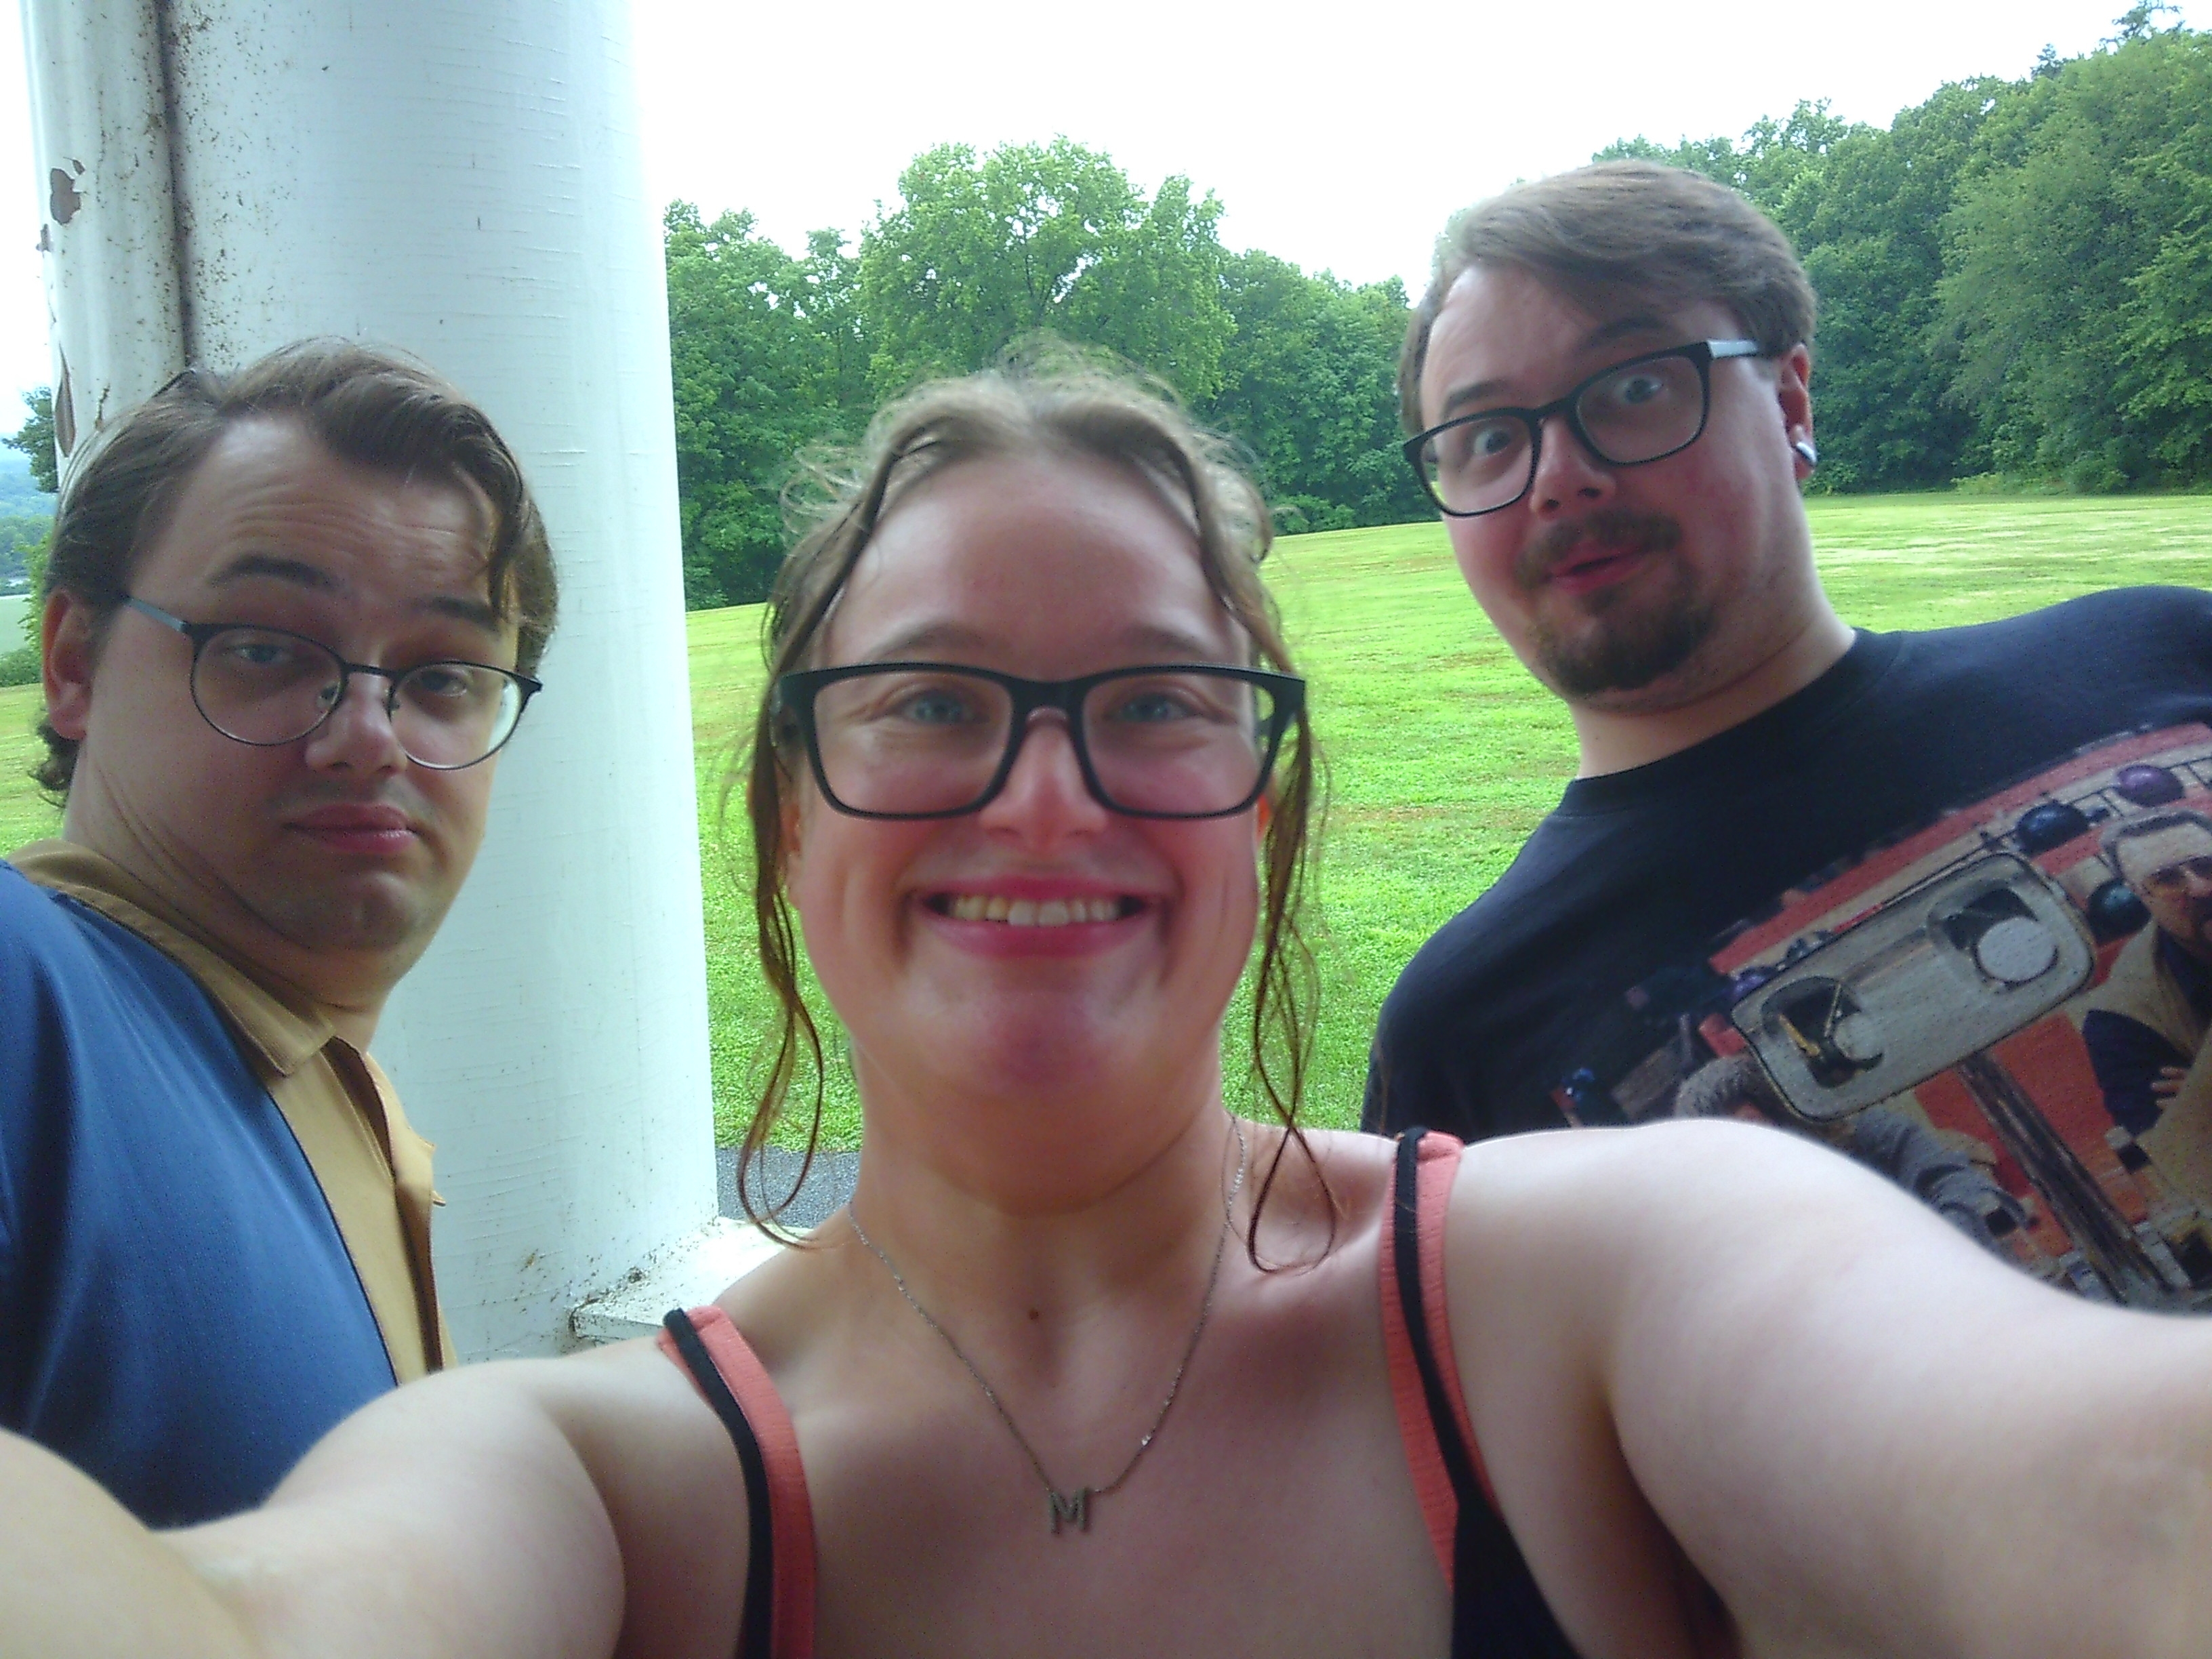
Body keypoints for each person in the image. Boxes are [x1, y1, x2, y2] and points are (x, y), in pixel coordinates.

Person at [6, 363, 2210, 1659]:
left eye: (1154, 699)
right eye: (931, 699)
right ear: (791, 814)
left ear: (1262, 800)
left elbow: (2096, 1494)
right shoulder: (596, 1473)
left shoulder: (1611, 1276)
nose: (1040, 786)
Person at [1364, 161, 2212, 1309]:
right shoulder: (1464, 1031)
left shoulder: (2162, 659)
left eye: (1630, 386)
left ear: (1791, 404)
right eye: (1483, 438)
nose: (1556, 474)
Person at [0, 341, 558, 1525]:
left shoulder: (293, 1067)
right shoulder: (23, 990)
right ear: (74, 664)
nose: (370, 732)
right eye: (263, 648)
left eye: (446, 673)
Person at [2083, 811, 2212, 1210]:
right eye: (2168, 878)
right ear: (2139, 895)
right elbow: (2191, 1170)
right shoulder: (2120, 1017)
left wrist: (2199, 1092)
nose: (2201, 888)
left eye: (2208, 866)